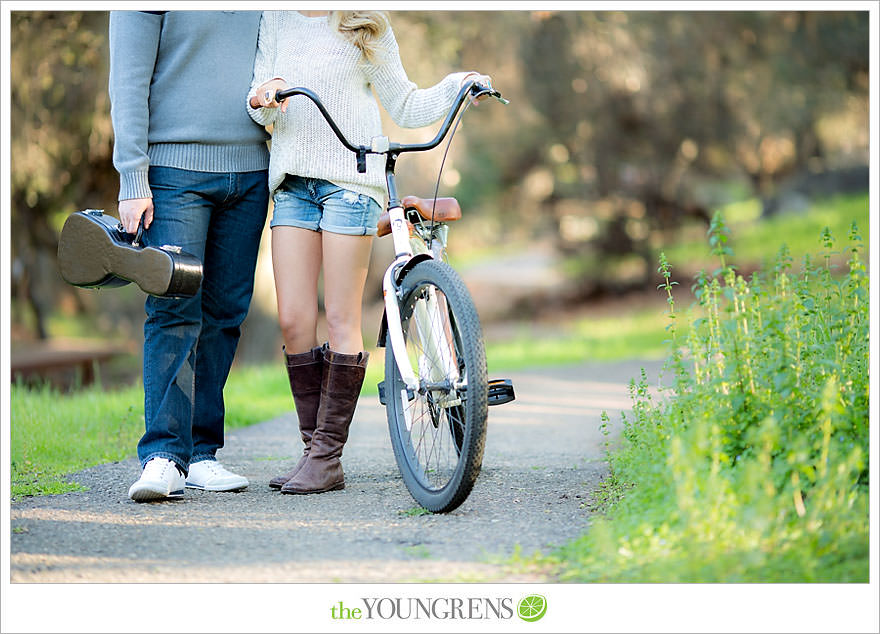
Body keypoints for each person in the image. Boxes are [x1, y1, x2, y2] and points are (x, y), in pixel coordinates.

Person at [246, 10, 491, 495]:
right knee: (294, 320)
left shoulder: (362, 21)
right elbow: (259, 108)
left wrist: (457, 85)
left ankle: (326, 457)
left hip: (351, 184)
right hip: (293, 184)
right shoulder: (275, 18)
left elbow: (405, 103)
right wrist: (265, 96)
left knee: (340, 317)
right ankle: (312, 450)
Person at [109, 10, 271, 501]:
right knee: (174, 309)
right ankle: (162, 455)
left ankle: (201, 455)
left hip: (252, 173)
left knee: (224, 314)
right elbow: (128, 80)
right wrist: (132, 177)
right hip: (174, 171)